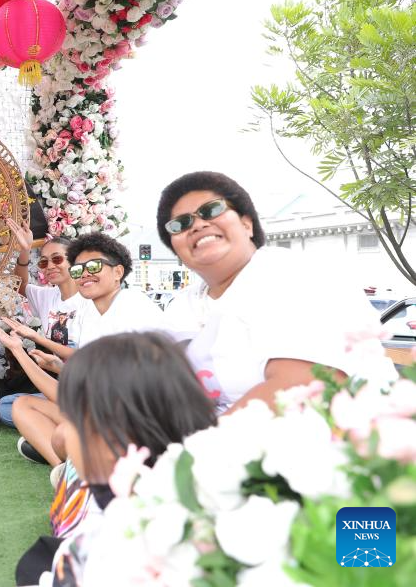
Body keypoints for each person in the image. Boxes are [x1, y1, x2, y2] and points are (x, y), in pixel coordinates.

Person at [157, 171, 397, 413]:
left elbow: (300, 388)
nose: (198, 224)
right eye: (181, 223)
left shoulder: (293, 275)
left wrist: (192, 447)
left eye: (212, 210)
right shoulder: (183, 305)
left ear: (246, 224)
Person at [15, 332, 218, 586]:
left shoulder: (117, 544)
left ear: (108, 435)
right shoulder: (200, 492)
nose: (67, 427)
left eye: (74, 418)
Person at [0, 233, 168, 467]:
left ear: (118, 272)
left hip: (136, 418)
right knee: (18, 406)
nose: (85, 274)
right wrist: (23, 352)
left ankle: (67, 453)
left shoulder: (132, 305)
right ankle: (64, 468)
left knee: (62, 435)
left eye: (94, 266)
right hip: (96, 403)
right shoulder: (90, 315)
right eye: (79, 270)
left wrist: (37, 344)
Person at [0, 225, 88, 463]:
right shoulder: (49, 296)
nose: (50, 267)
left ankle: (52, 436)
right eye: (44, 262)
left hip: (85, 384)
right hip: (57, 382)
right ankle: (60, 435)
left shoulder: (89, 299)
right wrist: (25, 251)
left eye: (57, 259)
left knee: (15, 408)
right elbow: (19, 286)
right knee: (5, 407)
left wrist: (38, 338)